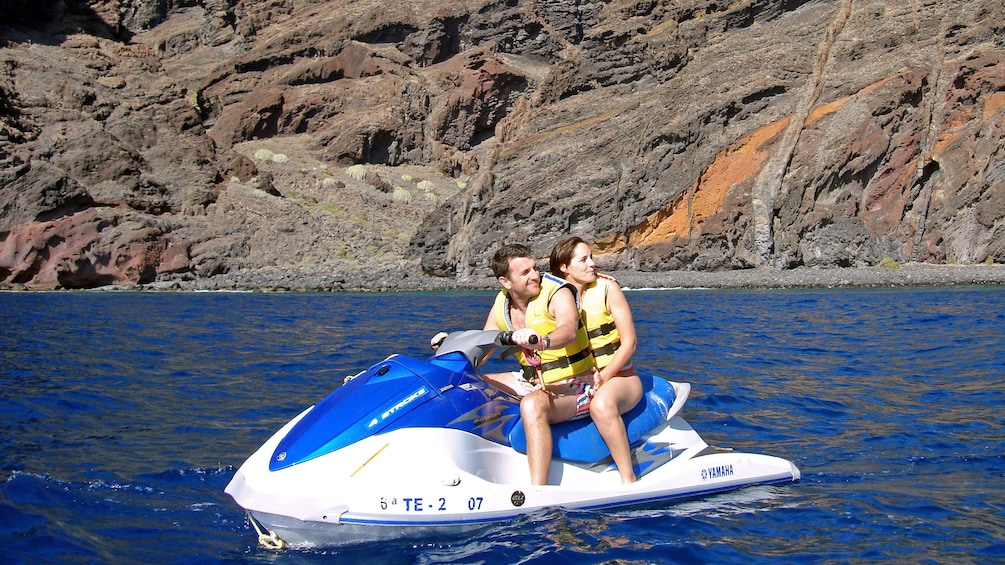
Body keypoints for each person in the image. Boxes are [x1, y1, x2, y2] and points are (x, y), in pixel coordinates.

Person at [482, 243, 597, 485]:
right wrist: (451, 347)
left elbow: (567, 330)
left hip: (577, 384)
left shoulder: (557, 292)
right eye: (525, 273)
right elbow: (483, 345)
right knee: (471, 386)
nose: (535, 275)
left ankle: (539, 490)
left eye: (535, 268)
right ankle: (487, 464)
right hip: (532, 380)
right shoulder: (501, 302)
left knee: (533, 405)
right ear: (505, 282)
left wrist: (542, 341)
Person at [550, 236, 643, 483]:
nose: (592, 263)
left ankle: (628, 478)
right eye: (584, 259)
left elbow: (629, 343)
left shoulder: (608, 289)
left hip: (621, 377)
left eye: (591, 257)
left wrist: (604, 376)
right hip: (579, 380)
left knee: (600, 407)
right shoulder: (554, 297)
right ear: (564, 267)